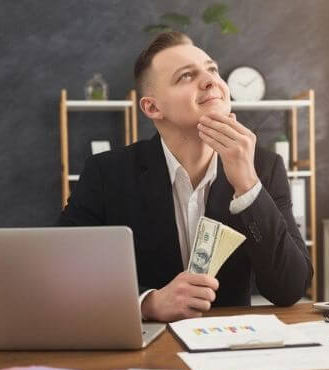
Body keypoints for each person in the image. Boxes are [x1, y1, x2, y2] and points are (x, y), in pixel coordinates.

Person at [58, 32, 313, 322]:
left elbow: (289, 288)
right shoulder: (106, 173)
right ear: (152, 107)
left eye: (212, 69)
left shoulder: (264, 168)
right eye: (186, 76)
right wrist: (147, 303)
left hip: (228, 350)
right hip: (146, 347)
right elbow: (61, 270)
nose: (211, 81)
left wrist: (248, 187)